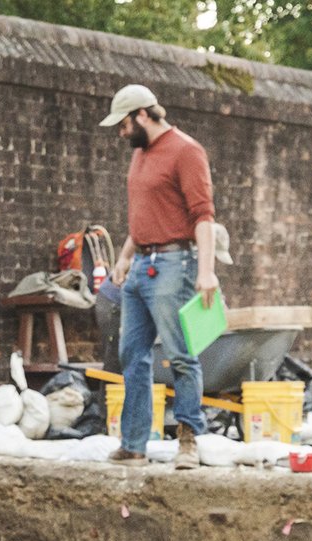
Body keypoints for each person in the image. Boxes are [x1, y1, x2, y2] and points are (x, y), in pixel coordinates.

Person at [100, 83, 219, 471]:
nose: (121, 133)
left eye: (123, 124)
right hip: (140, 266)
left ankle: (189, 441)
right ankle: (134, 445)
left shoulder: (186, 151)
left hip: (174, 264)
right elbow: (148, 212)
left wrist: (207, 272)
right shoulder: (140, 155)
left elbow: (203, 216)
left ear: (142, 116)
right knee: (132, 356)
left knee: (180, 355)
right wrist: (124, 257)